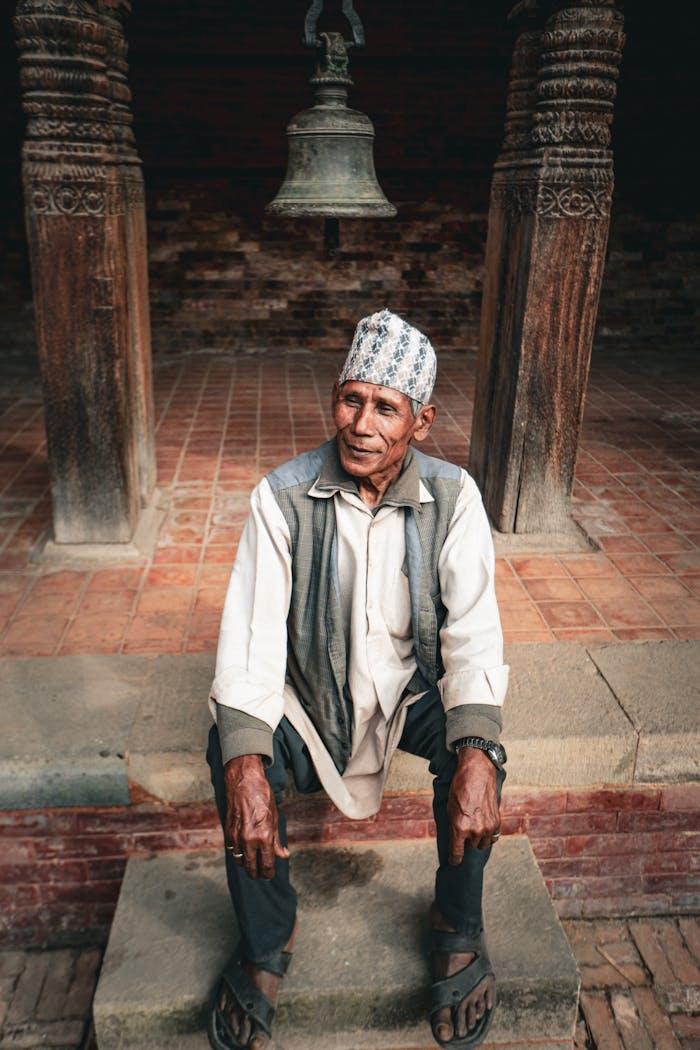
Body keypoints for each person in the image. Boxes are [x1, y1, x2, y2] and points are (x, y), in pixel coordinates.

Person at [206, 308, 509, 1050]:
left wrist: (477, 752)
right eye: (351, 399)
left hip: (408, 697)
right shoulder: (280, 497)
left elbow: (472, 633)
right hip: (307, 700)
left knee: (481, 755)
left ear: (422, 422)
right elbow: (249, 638)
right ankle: (268, 936)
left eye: (385, 408)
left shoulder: (455, 499)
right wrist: (247, 763)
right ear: (333, 400)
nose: (361, 425)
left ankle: (456, 921)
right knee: (232, 750)